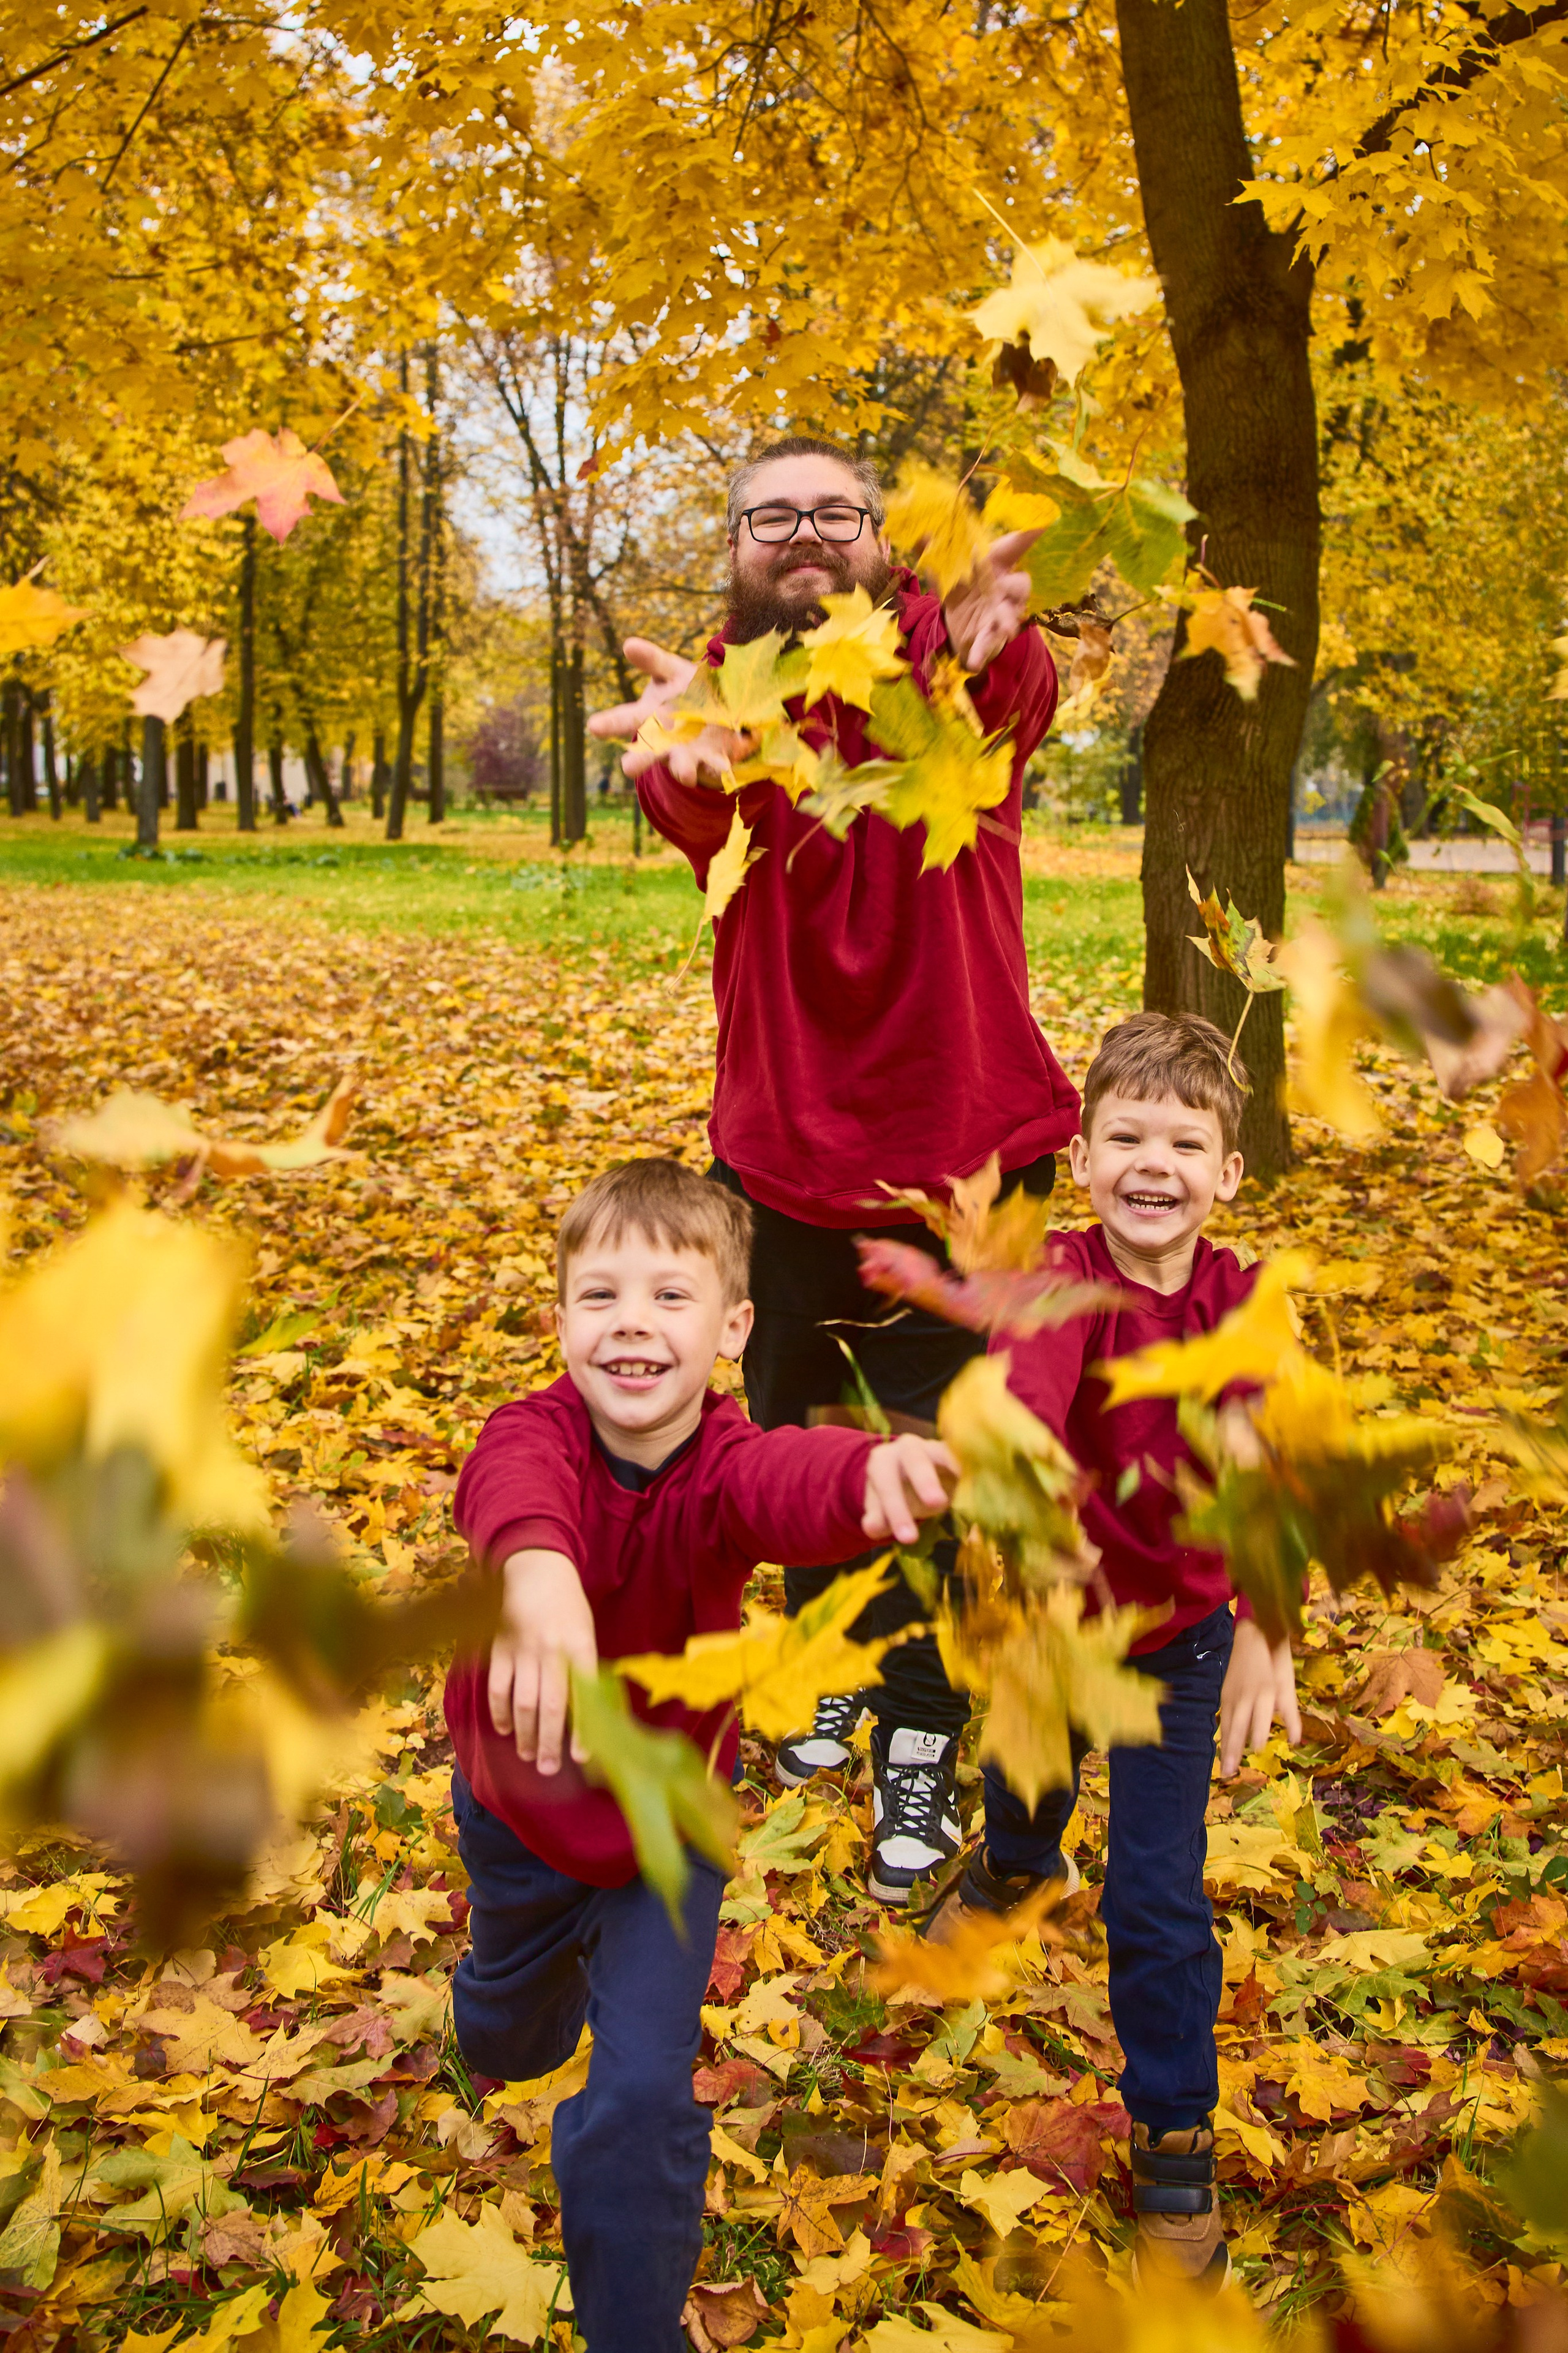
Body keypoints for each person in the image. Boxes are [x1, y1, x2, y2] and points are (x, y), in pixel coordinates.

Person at [588, 434, 1080, 1905]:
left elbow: (1017, 684)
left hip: (970, 1163)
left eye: (833, 514)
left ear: (878, 540)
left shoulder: (957, 682)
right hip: (785, 1165)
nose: (801, 536)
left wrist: (1005, 631)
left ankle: (922, 1739)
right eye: (768, 517)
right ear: (734, 548)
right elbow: (687, 797)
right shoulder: (724, 715)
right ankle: (839, 1674)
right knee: (803, 1459)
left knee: (938, 1481)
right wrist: (683, 752)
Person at [443, 1158, 955, 2353]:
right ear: (555, 1321)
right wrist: (537, 1575)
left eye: (670, 1297)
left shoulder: (726, 1462)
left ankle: (635, 2328)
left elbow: (785, 1479)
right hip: (520, 1808)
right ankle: (514, 1994)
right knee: (508, 2039)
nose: (632, 1322)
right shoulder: (532, 1434)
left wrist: (865, 1467)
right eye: (600, 1295)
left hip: (667, 1831)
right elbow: (508, 1486)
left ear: (732, 1328)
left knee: (634, 2095)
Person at [925, 1012, 1302, 2287]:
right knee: (1027, 1777)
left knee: (1154, 1888)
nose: (1153, 1162)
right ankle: (1016, 1860)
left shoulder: (1237, 1299)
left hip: (1183, 1637)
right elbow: (1027, 1403)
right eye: (1124, 1137)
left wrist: (1265, 1627)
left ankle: (1174, 2140)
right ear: (1079, 1162)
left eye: (1183, 1141)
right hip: (1054, 1616)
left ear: (1227, 1173)